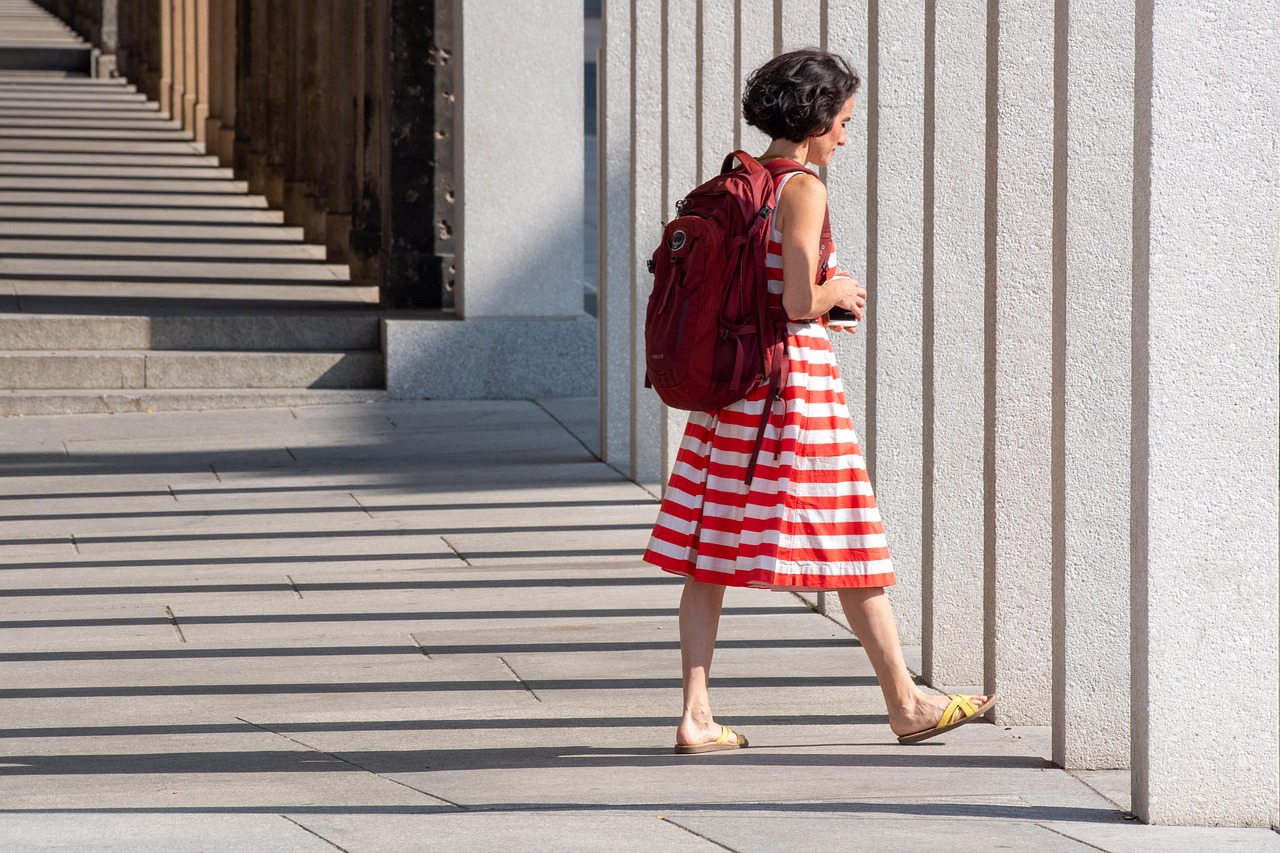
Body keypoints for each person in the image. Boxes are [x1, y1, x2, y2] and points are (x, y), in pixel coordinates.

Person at [642, 48, 995, 753]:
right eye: (842, 121)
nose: (843, 136)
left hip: (732, 389)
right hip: (790, 387)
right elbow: (798, 299)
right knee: (852, 539)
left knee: (708, 552)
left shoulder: (736, 180)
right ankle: (906, 704)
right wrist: (839, 292)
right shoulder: (801, 186)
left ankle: (696, 713)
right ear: (815, 118)